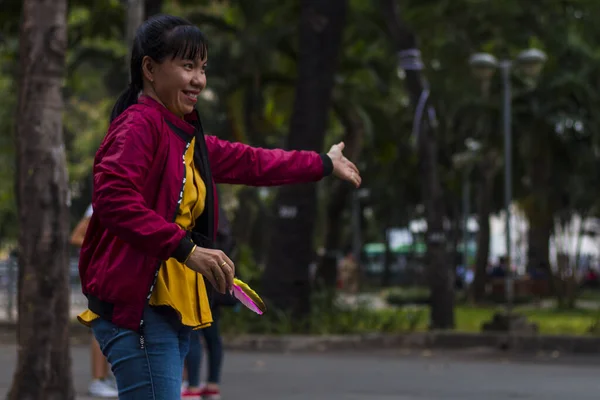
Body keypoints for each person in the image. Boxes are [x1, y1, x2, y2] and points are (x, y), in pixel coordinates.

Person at [77, 14, 361, 400]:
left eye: (203, 68)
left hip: (168, 308)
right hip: (139, 308)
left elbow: (254, 162)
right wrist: (186, 249)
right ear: (150, 68)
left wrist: (324, 163)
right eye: (187, 66)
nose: (198, 80)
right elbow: (112, 201)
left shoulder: (183, 135)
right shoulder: (139, 126)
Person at [181, 205, 236, 399]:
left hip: (197, 277)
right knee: (213, 334)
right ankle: (212, 385)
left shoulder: (196, 207)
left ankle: (193, 386)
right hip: (217, 281)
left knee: (194, 334)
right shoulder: (220, 215)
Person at [71, 204, 118, 398]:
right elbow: (75, 237)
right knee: (101, 323)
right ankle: (97, 380)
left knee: (111, 323)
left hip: (111, 270)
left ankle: (103, 378)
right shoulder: (100, 201)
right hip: (101, 271)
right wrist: (103, 249)